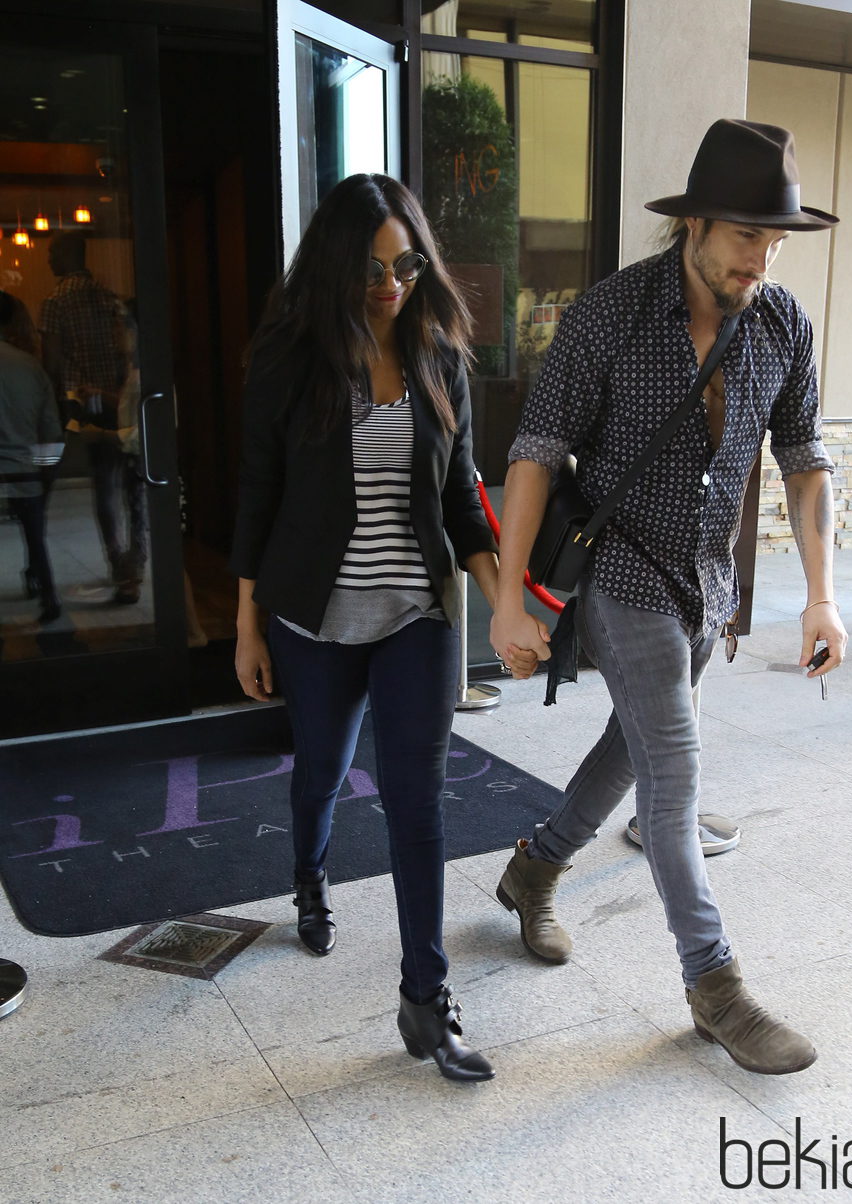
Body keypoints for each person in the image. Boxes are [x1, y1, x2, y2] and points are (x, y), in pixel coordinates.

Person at [489, 119, 847, 1076]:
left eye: (776, 241)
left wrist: (820, 595)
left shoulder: (781, 324)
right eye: (744, 237)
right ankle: (715, 984)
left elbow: (805, 464)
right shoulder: (609, 313)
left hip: (707, 584)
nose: (761, 260)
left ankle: (533, 870)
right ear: (692, 223)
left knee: (633, 746)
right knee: (675, 771)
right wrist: (506, 603)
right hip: (623, 573)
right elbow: (535, 454)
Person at [231, 173, 541, 1083]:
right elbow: (258, 497)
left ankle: (424, 1000)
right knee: (322, 774)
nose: (392, 284)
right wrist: (249, 627)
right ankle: (310, 874)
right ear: (333, 264)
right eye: (371, 269)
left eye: (406, 264)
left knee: (417, 804)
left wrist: (505, 601)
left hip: (415, 616)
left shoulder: (440, 356)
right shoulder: (290, 359)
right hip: (315, 619)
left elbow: (463, 500)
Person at [40, 232, 146, 604]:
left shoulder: (55, 302)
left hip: (89, 407)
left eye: (52, 253)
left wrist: (55, 405)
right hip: (125, 403)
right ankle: (136, 565)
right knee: (134, 489)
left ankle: (119, 564)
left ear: (68, 255)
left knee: (105, 490)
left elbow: (52, 363)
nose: (48, 261)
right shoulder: (109, 297)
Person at [0, 291, 63, 624]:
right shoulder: (28, 366)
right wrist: (44, 470)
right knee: (35, 535)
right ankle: (49, 595)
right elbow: (50, 427)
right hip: (24, 466)